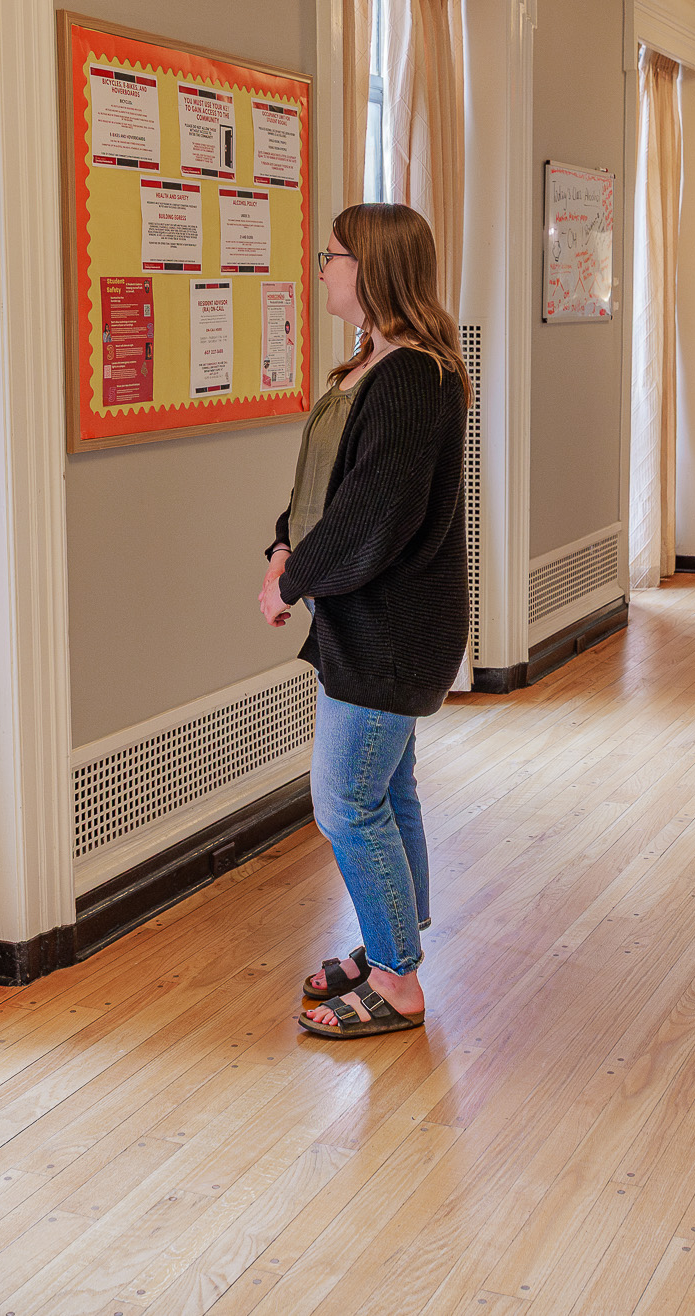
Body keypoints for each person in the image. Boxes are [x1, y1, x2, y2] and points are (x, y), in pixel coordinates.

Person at [259, 203, 470, 1041]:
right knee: (388, 789)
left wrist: (292, 581)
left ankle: (397, 982)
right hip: (370, 621)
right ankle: (395, 946)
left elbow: (373, 516)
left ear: (375, 268)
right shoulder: (373, 363)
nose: (323, 266)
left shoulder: (415, 376)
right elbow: (324, 489)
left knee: (345, 803)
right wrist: (281, 549)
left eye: (334, 254)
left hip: (392, 626)